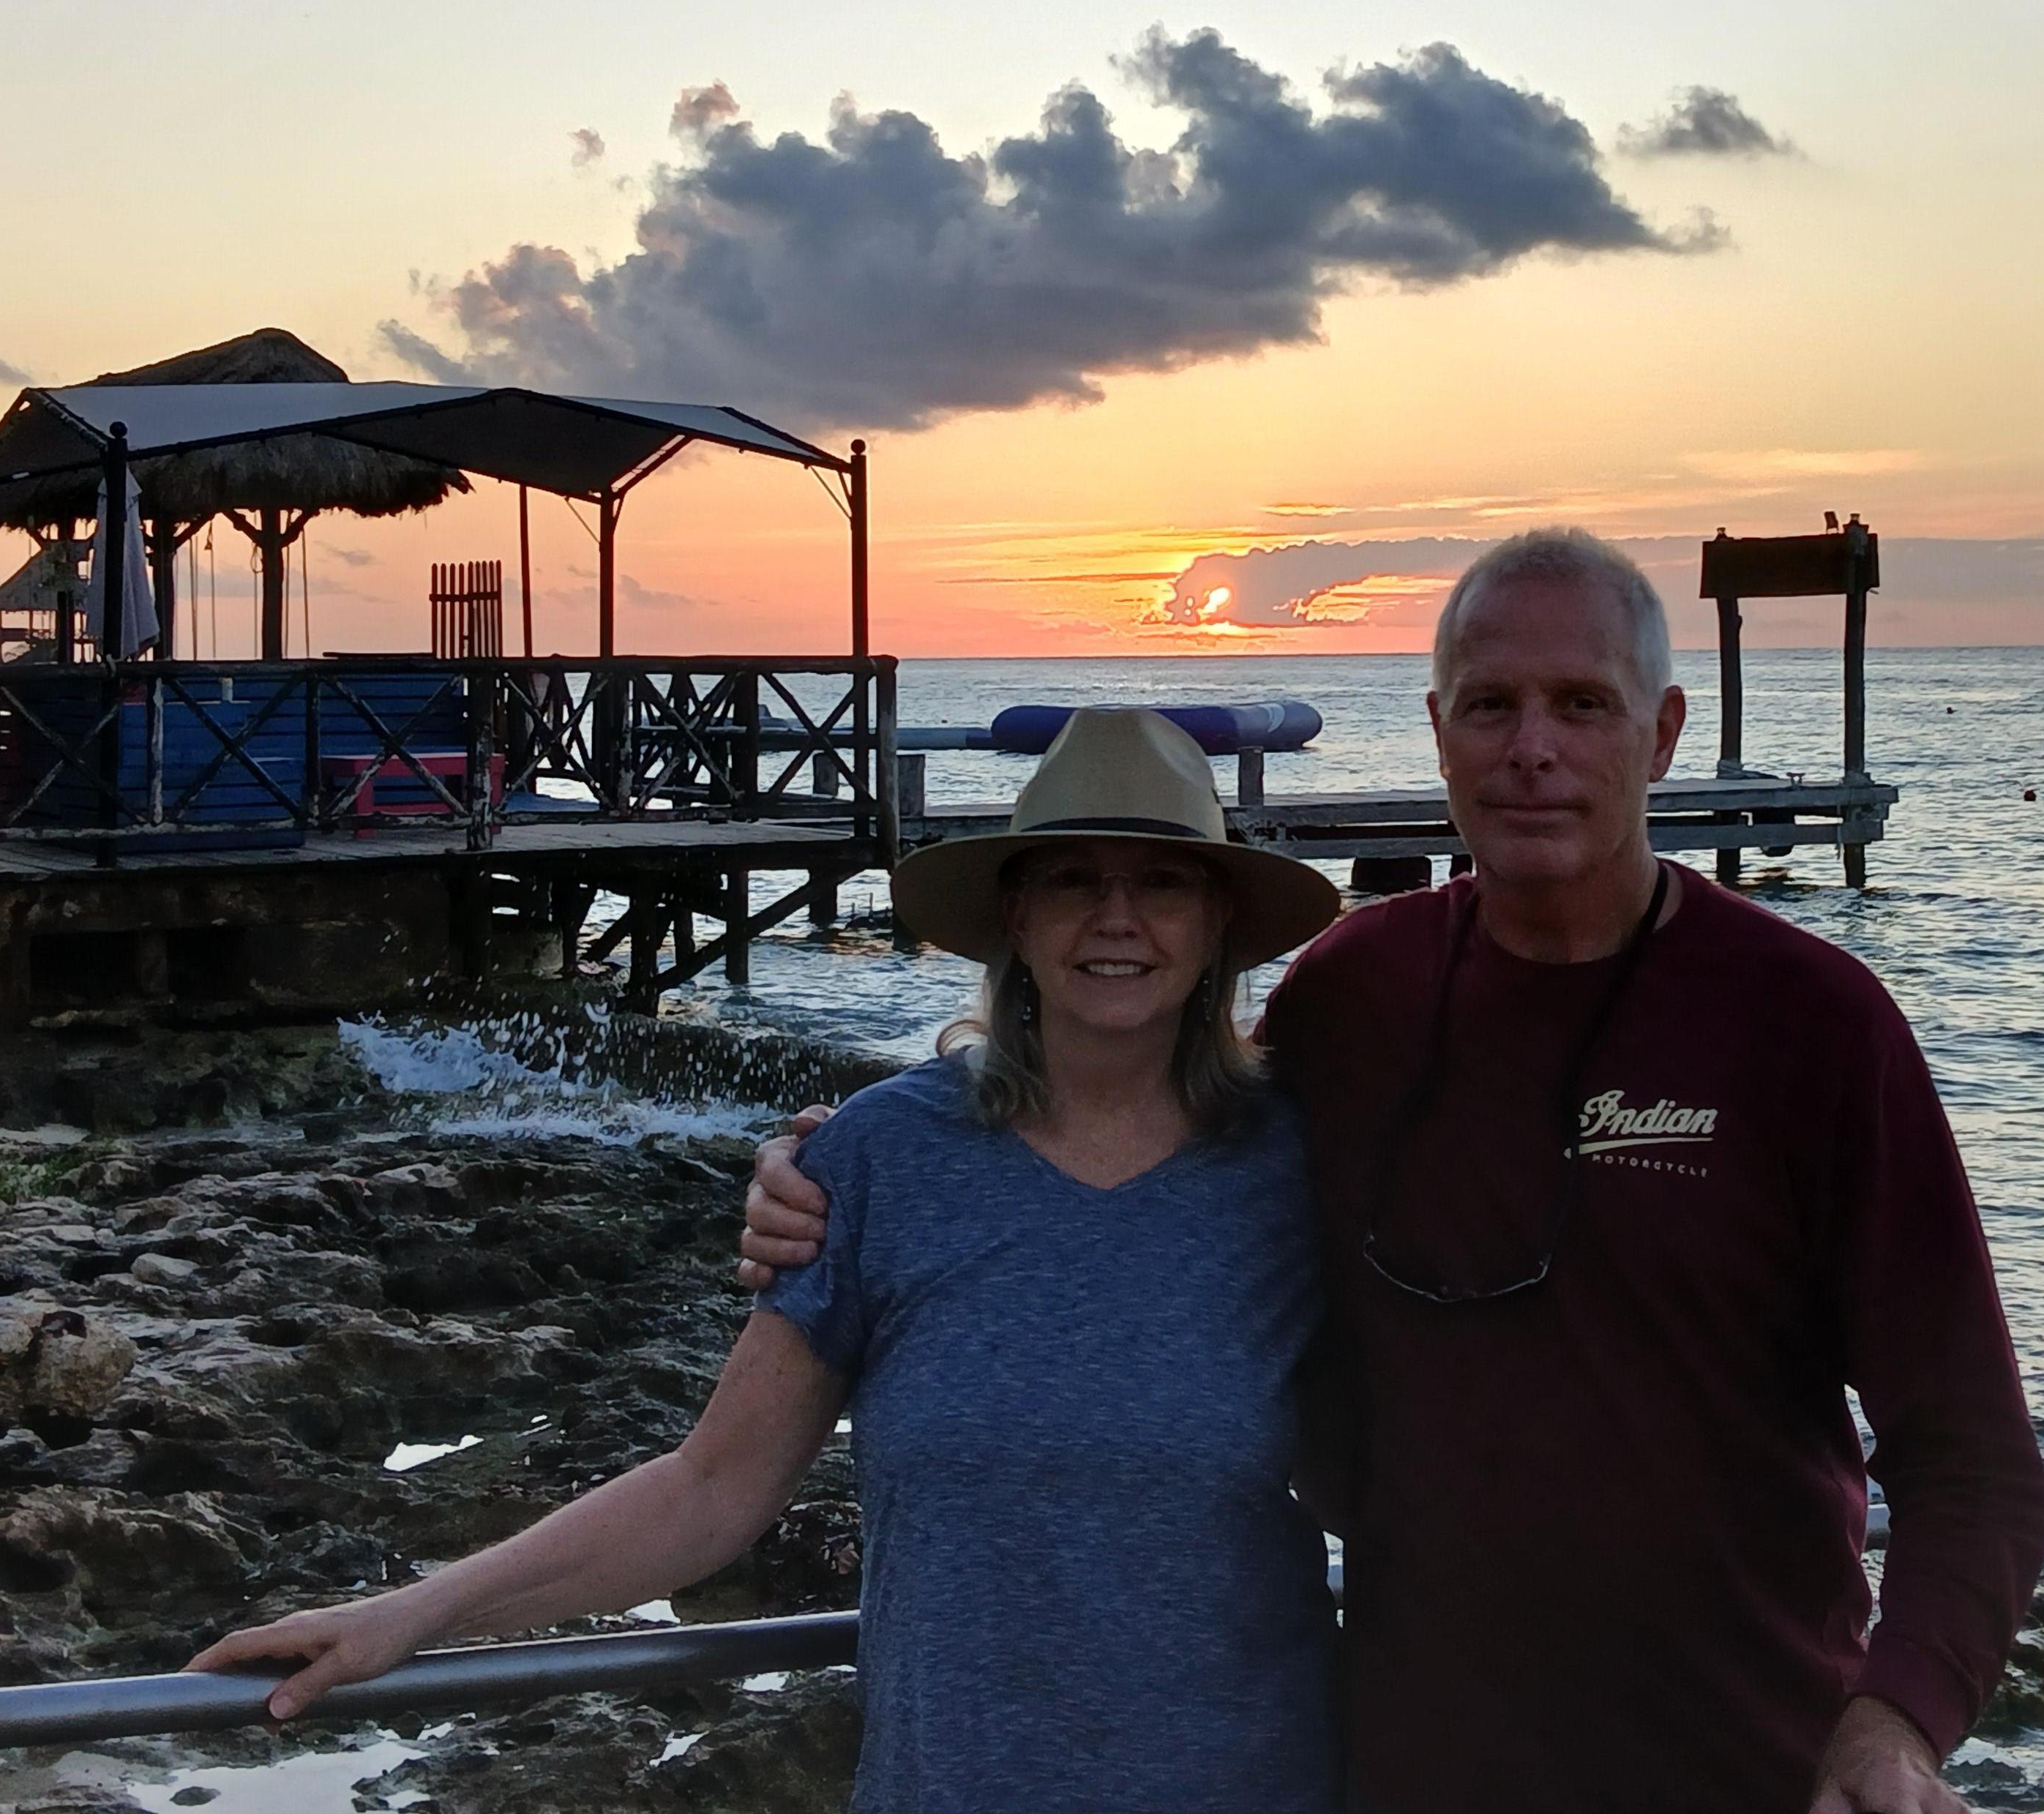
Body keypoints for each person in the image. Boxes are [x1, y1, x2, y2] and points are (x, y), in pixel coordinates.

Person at [742, 528, 2044, 1814]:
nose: (1532, 747)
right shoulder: (1353, 996)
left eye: (1580, 704)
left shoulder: (1812, 1021)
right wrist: (833, 1176)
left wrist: (1899, 1725)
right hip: (1405, 1762)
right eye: (1492, 705)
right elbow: (1127, 1120)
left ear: (1659, 735)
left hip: (1749, 1759)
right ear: (1438, 731)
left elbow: (1975, 1457)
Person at [195, 707, 1349, 1814]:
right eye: (1072, 881)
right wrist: (411, 1615)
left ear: (1215, 931)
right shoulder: (880, 1158)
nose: (1117, 918)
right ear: (1013, 918)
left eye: (1161, 883)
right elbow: (713, 1486)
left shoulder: (1307, 1166)